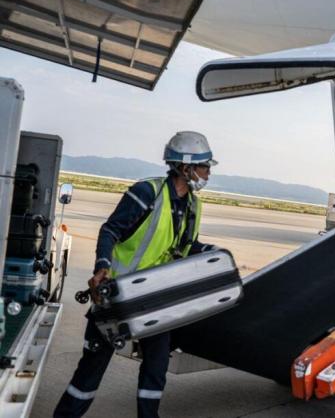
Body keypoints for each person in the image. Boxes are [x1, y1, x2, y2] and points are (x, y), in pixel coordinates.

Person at [54, 131, 219, 418]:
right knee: (91, 370)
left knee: (155, 370)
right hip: (117, 297)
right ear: (185, 167)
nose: (208, 173)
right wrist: (101, 267)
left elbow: (185, 245)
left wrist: (211, 251)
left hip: (155, 298)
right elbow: (110, 230)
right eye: (204, 166)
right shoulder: (147, 193)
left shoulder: (194, 205)